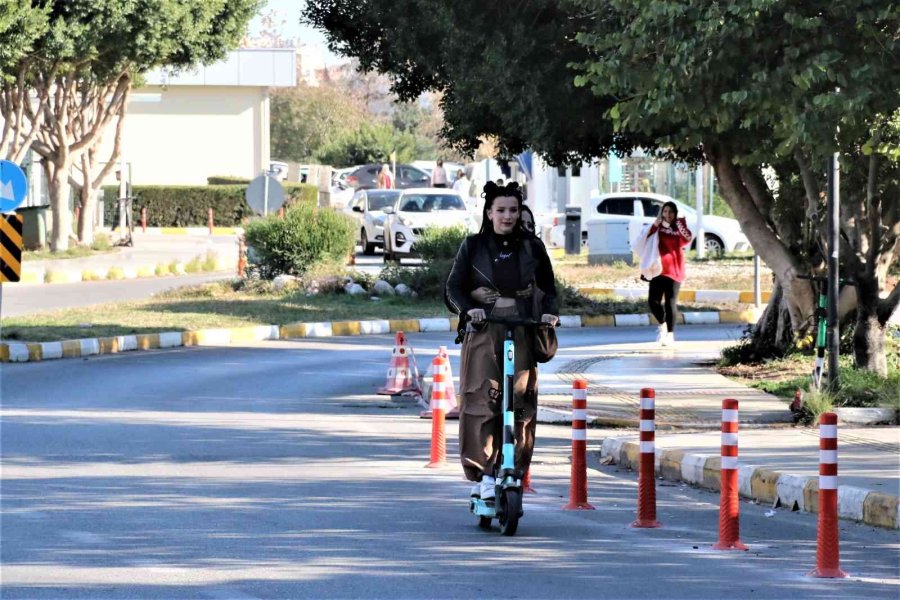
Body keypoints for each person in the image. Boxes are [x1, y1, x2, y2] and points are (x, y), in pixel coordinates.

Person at [445, 181, 559, 501]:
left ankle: (514, 468)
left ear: (519, 212)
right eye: (501, 210)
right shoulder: (473, 246)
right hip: (484, 331)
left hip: (522, 329)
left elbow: (549, 290)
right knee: (482, 400)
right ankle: (482, 475)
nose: (507, 216)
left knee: (520, 402)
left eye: (512, 210)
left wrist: (548, 315)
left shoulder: (533, 247)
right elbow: (452, 289)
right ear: (489, 212)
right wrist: (470, 310)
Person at [646, 201, 692, 346]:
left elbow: (688, 238)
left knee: (670, 303)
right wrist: (655, 225)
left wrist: (680, 224)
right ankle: (662, 326)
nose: (668, 214)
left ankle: (670, 335)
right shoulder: (658, 226)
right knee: (653, 302)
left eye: (671, 212)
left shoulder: (679, 228)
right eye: (665, 211)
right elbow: (645, 237)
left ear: (675, 213)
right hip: (657, 269)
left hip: (674, 270)